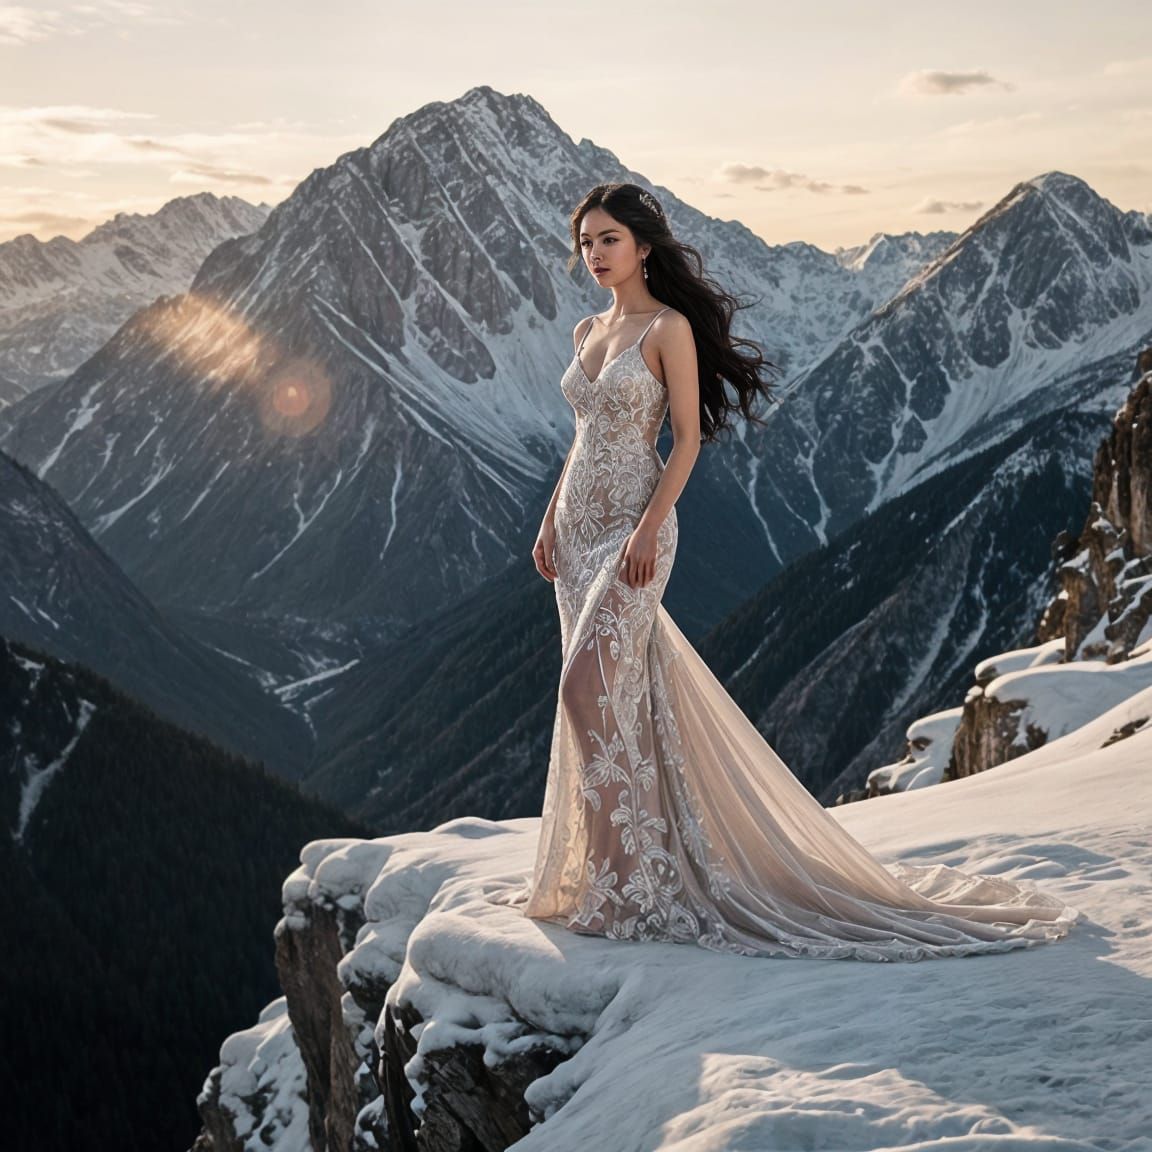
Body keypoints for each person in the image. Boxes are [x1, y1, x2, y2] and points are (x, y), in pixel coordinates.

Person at [518, 182, 1077, 960]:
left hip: (633, 532)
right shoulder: (588, 329)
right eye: (586, 242)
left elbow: (685, 441)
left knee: (587, 690)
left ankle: (627, 883)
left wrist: (647, 529)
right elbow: (580, 441)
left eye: (609, 239)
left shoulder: (668, 328)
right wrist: (549, 521)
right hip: (576, 534)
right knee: (619, 697)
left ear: (644, 246)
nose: (595, 255)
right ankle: (611, 873)